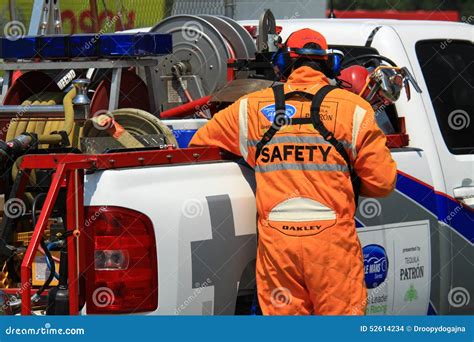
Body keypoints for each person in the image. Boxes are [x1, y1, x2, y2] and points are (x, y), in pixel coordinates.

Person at [189, 28, 397, 315]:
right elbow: (383, 183)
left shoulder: (249, 108)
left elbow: (199, 145)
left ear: (284, 62)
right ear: (330, 64)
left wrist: (259, 155)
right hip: (332, 246)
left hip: (278, 244)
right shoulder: (355, 110)